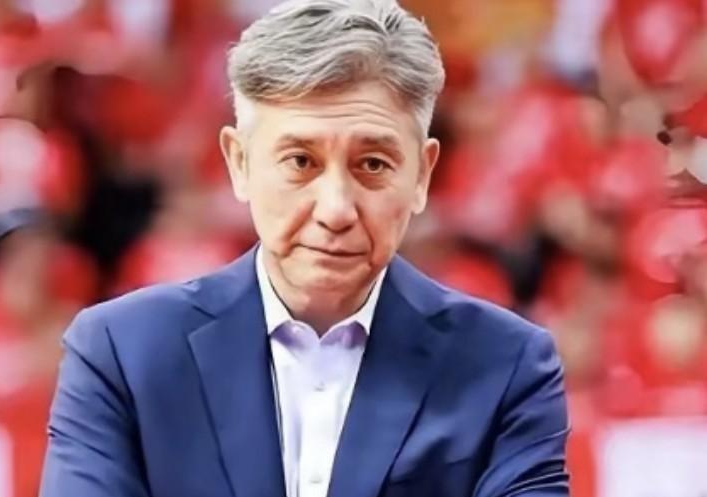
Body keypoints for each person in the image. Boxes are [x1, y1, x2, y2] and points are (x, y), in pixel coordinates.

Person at [39, 1, 570, 496]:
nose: (335, 209)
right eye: (300, 162)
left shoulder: (507, 366)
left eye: (373, 165)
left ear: (422, 175)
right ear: (240, 163)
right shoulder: (122, 353)